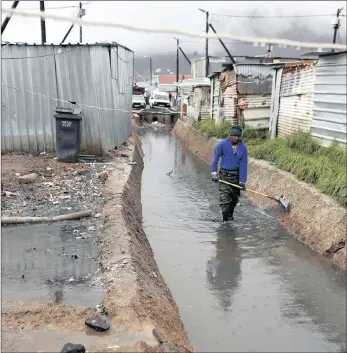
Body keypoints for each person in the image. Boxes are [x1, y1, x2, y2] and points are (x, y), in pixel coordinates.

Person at [211, 125, 248, 222]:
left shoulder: (243, 148)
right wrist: (214, 173)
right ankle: (225, 221)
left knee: (234, 199)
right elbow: (215, 159)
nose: (237, 138)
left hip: (236, 176)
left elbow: (244, 165)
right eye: (235, 136)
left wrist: (242, 181)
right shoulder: (222, 145)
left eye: (239, 137)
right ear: (230, 135)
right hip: (224, 176)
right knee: (224, 200)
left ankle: (230, 214)